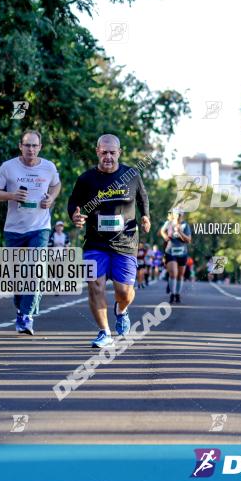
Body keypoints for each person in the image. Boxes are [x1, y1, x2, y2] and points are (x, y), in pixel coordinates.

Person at [67, 134, 150, 348]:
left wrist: (146, 216)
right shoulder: (86, 179)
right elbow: (73, 203)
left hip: (126, 242)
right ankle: (104, 332)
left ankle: (121, 310)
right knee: (95, 286)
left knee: (124, 292)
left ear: (119, 153)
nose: (108, 157)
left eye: (112, 152)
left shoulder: (131, 174)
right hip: (96, 243)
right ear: (97, 152)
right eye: (104, 152)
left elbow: (143, 197)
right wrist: (74, 216)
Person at [0, 130, 61, 335]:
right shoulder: (8, 167)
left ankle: (27, 316)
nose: (31, 149)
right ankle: (22, 309)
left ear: (40, 147)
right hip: (14, 230)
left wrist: (51, 199)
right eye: (27, 145)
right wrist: (11, 195)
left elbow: (57, 185)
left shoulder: (48, 167)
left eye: (34, 145)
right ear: (20, 146)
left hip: (40, 228)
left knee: (35, 270)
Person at [159, 209, 192, 304]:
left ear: (182, 215)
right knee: (173, 273)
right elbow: (162, 231)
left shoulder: (185, 225)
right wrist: (165, 236)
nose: (178, 216)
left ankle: (177, 294)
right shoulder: (168, 223)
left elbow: (189, 240)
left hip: (182, 253)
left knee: (180, 275)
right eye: (176, 214)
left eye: (179, 214)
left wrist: (180, 232)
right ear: (173, 215)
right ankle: (172, 294)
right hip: (170, 251)